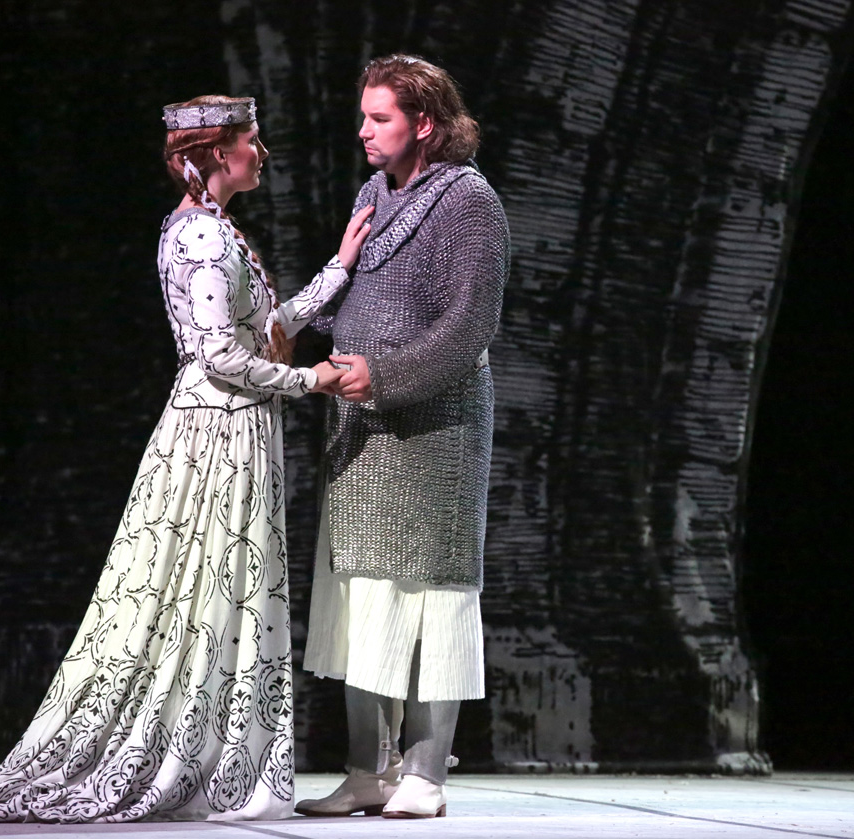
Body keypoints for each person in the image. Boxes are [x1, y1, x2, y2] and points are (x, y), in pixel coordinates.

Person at [0, 95, 373, 824]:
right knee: (201, 589)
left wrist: (339, 268)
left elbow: (264, 327)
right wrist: (313, 381)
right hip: (218, 434)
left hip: (228, 427)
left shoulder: (204, 229)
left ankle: (210, 753)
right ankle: (190, 756)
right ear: (216, 153)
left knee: (209, 590)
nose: (261, 154)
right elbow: (219, 357)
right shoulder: (203, 237)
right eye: (251, 142)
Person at [296, 55, 511, 819]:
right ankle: (368, 770)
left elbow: (470, 324)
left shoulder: (468, 201)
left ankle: (424, 774)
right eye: (364, 116)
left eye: (379, 117)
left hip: (434, 430)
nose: (363, 130)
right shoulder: (374, 194)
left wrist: (383, 375)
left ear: (424, 122)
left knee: (430, 598)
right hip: (362, 432)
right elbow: (355, 302)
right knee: (362, 593)